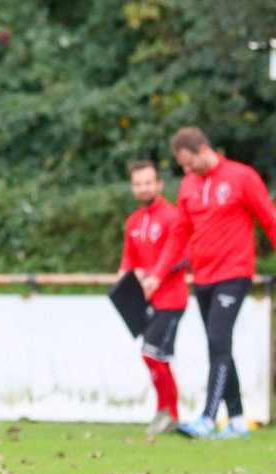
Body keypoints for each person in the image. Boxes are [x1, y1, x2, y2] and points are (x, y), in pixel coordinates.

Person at [144, 126, 276, 440]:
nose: (186, 171)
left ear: (204, 149)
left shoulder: (242, 178)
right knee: (221, 347)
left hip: (233, 274)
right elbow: (179, 235)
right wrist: (157, 275)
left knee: (217, 342)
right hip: (202, 277)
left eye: (189, 163)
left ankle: (207, 417)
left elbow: (269, 219)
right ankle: (239, 422)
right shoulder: (189, 186)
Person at [118, 160, 188, 436]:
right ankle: (168, 413)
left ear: (159, 184)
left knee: (151, 352)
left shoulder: (172, 217)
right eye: (138, 184)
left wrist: (155, 276)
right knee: (157, 357)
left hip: (171, 300)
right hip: (146, 301)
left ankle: (168, 412)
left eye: (148, 182)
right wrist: (123, 278)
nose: (143, 188)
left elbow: (183, 257)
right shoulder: (133, 221)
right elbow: (129, 258)